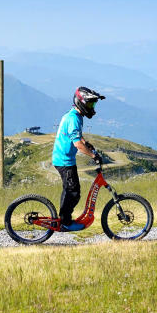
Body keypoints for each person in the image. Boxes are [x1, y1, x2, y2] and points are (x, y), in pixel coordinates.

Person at [52, 86, 105, 232]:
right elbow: (77, 144)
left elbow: (77, 136)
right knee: (73, 192)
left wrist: (87, 143)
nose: (91, 107)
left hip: (65, 159)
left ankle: (63, 219)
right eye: (89, 104)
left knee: (70, 189)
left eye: (92, 104)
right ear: (80, 102)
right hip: (64, 161)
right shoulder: (73, 118)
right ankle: (66, 223)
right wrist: (93, 156)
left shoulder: (75, 115)